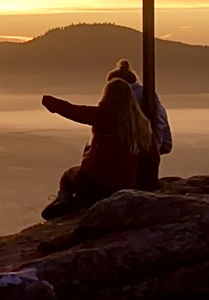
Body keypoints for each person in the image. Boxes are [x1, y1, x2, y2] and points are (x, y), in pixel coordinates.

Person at [39, 76, 157, 220]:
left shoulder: (103, 114)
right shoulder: (142, 125)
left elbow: (72, 110)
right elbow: (152, 158)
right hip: (122, 185)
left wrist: (49, 101)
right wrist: (148, 186)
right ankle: (81, 203)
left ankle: (65, 200)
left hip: (93, 178)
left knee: (68, 175)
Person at [105, 59, 173, 187]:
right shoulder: (146, 93)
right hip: (151, 146)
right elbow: (160, 118)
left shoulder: (126, 98)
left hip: (137, 147)